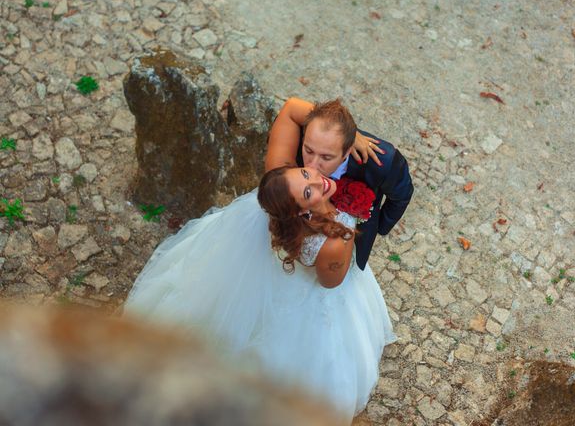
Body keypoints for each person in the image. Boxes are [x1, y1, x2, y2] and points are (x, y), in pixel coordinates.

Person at [124, 164, 396, 421]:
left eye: (304, 172)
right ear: (301, 211)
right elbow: (332, 283)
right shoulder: (335, 244)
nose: (317, 179)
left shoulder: (285, 219)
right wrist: (350, 221)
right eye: (308, 191)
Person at [265, 97, 413, 270]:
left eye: (327, 157)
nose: (312, 167)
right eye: (308, 151)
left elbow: (402, 196)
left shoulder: (384, 162)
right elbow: (292, 107)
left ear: (347, 152)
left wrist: (378, 227)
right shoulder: (299, 137)